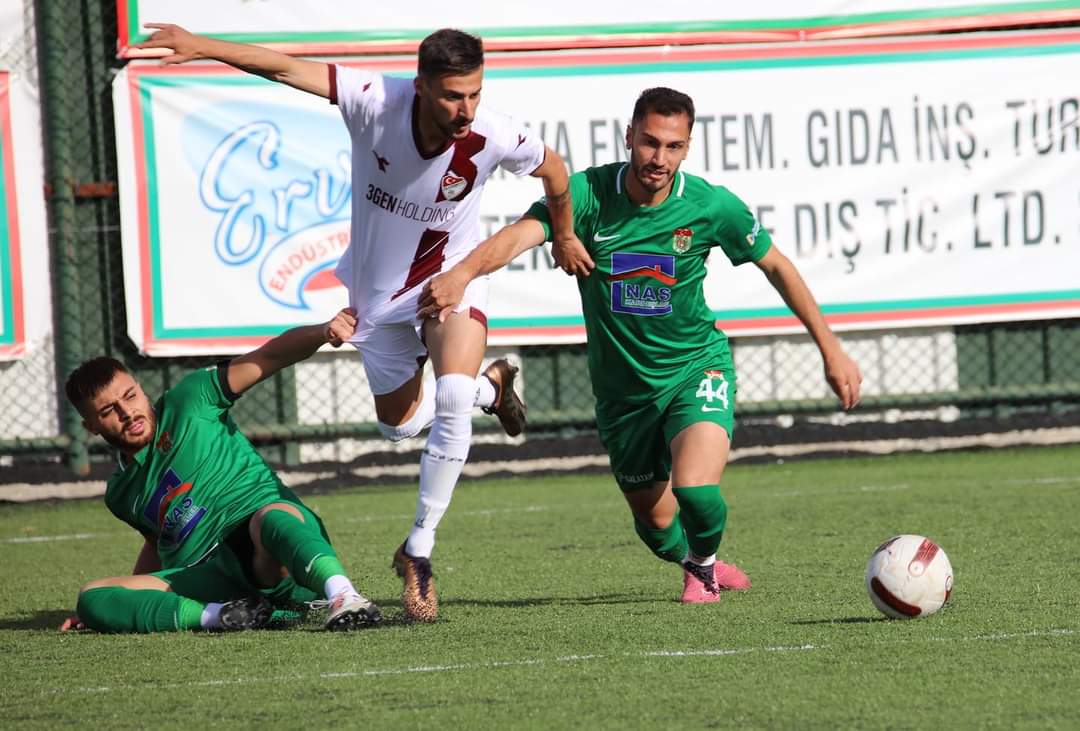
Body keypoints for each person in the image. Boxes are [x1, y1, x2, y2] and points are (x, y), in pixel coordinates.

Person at [135, 24, 585, 622]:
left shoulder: (493, 133)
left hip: (447, 287)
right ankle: (491, 389)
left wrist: (565, 232)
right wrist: (204, 46)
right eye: (453, 95)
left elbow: (556, 174)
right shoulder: (376, 100)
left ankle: (418, 550)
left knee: (448, 391)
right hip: (376, 303)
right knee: (400, 428)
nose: (466, 108)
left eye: (474, 93)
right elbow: (283, 66)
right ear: (421, 86)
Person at [418, 87, 863, 603]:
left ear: (688, 147)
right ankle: (692, 558)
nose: (659, 158)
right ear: (629, 136)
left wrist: (830, 348)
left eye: (673, 147)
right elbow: (518, 236)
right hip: (623, 395)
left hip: (696, 368)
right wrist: (462, 274)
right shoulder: (586, 196)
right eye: (650, 142)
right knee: (655, 527)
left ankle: (703, 567)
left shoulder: (710, 206)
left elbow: (777, 266)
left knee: (696, 489)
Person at [59, 308, 381, 633]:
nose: (127, 412)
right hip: (210, 578)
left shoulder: (191, 399)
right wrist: (118, 603)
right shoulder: (120, 493)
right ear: (91, 426)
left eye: (130, 396)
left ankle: (343, 595)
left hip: (267, 549)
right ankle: (222, 616)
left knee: (271, 517)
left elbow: (269, 356)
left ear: (141, 389)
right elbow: (158, 544)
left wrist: (323, 331)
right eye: (109, 411)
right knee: (92, 597)